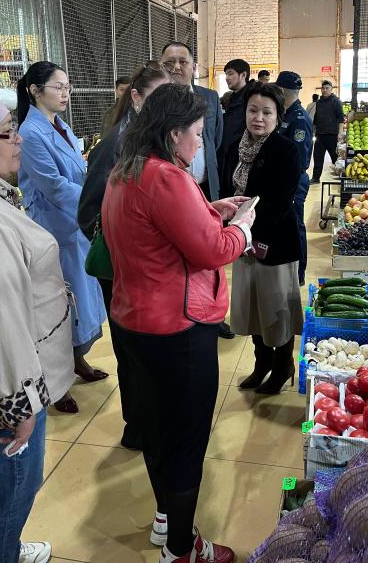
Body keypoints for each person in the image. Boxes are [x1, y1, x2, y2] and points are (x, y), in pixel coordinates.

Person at [102, 83, 255, 563]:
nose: (199, 141)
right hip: (178, 328)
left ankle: (166, 518)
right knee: (187, 439)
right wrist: (241, 229)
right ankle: (181, 550)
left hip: (134, 322)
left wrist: (212, 210)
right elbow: (212, 249)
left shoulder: (126, 171)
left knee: (156, 428)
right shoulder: (167, 177)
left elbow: (159, 230)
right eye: (196, 132)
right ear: (173, 134)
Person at [0, 86, 74, 563]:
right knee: (5, 497)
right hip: (3, 396)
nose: (18, 139)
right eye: (6, 133)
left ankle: (2, 549)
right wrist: (17, 405)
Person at [78, 61, 170, 450]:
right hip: (120, 270)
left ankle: (151, 419)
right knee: (131, 351)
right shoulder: (117, 143)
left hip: (144, 268)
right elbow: (88, 213)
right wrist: (124, 248)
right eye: (157, 97)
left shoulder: (151, 138)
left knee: (148, 350)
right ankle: (137, 426)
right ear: (135, 97)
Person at [17, 62, 108, 414]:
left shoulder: (59, 124)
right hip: (55, 228)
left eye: (67, 87)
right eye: (58, 87)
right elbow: (53, 186)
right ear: (35, 90)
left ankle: (78, 360)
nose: (65, 93)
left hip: (76, 224)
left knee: (81, 302)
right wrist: (97, 200)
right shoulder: (30, 133)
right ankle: (57, 383)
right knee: (59, 308)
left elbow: (76, 172)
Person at [228, 82, 304, 394]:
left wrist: (248, 234)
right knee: (252, 306)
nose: (258, 118)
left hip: (274, 242)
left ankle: (283, 364)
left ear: (277, 116)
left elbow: (281, 202)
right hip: (241, 242)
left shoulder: (286, 149)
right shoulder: (234, 147)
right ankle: (262, 363)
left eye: (267, 112)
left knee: (276, 308)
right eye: (253, 110)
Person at [161, 42, 231, 340]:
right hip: (171, 192)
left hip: (204, 185)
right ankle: (186, 312)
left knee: (212, 251)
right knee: (180, 255)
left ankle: (214, 314)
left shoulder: (210, 97)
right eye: (169, 62)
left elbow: (216, 140)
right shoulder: (158, 101)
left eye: (183, 61)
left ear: (194, 66)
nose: (177, 67)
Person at [276, 71, 313, 286]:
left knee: (295, 226)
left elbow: (299, 159)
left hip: (293, 181)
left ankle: (299, 274)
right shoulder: (287, 114)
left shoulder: (299, 118)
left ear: (281, 91)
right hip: (284, 179)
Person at [218, 58, 251, 198]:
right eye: (226, 74)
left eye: (230, 73)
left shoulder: (251, 96)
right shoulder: (231, 98)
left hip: (243, 157)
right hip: (228, 156)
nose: (227, 78)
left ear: (243, 75)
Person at [311, 80, 344, 183]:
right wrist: (313, 130)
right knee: (317, 157)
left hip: (332, 135)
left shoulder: (336, 101)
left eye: (327, 88)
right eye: (323, 88)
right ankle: (316, 177)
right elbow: (316, 118)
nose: (324, 90)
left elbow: (341, 117)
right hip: (320, 135)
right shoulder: (319, 102)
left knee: (335, 157)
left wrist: (340, 132)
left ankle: (341, 176)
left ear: (331, 89)